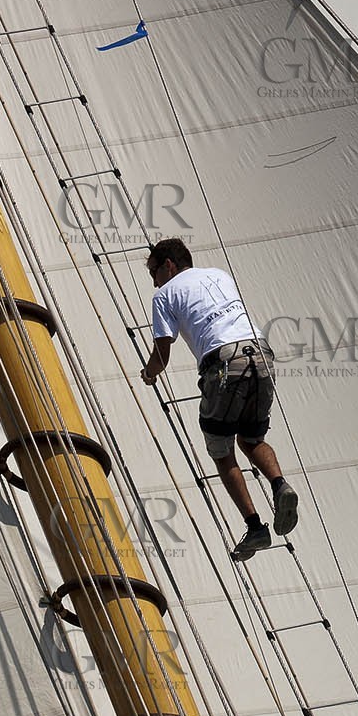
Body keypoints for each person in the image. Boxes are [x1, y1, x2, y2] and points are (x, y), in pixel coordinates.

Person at [141, 238, 298, 561]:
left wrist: (149, 373)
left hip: (224, 362)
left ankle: (255, 527)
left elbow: (162, 353)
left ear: (169, 265)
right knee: (252, 439)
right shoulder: (219, 274)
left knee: (221, 449)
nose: (154, 281)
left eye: (154, 272)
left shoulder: (164, 294)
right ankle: (280, 484)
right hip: (261, 355)